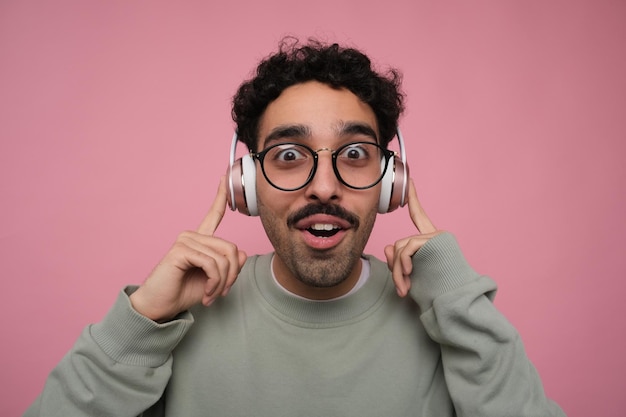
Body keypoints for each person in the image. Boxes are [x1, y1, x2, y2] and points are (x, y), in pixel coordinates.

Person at [24, 38, 566, 417]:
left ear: (390, 180)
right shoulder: (179, 320)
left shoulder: (443, 316)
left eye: (354, 153)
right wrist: (140, 321)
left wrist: (457, 300)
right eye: (288, 155)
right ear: (246, 182)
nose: (324, 187)